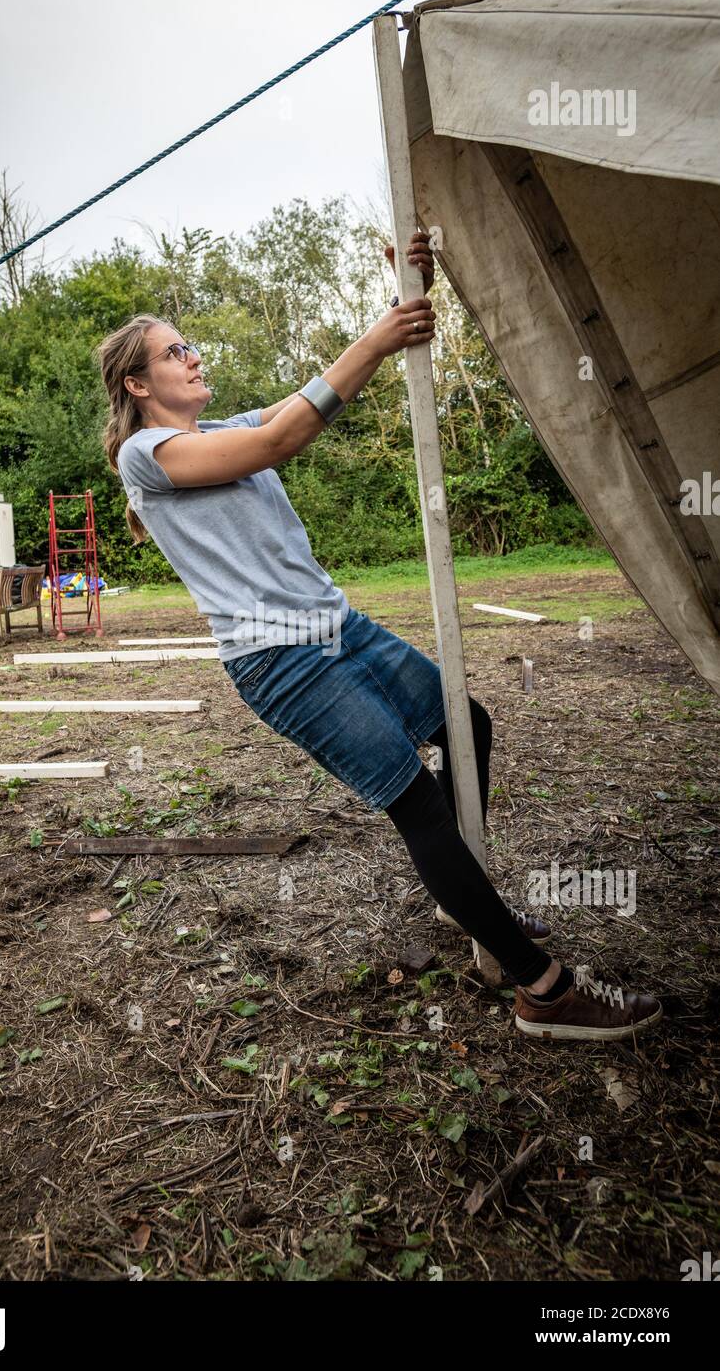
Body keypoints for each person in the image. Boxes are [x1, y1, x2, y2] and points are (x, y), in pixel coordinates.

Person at [96, 230, 661, 1044]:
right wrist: (382, 333)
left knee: (466, 724)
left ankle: (458, 891)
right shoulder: (146, 456)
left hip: (339, 628)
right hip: (280, 661)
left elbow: (300, 408)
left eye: (188, 345)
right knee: (417, 803)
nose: (192, 355)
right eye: (174, 350)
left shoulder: (221, 429)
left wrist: (399, 302)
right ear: (137, 382)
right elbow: (282, 437)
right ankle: (545, 992)